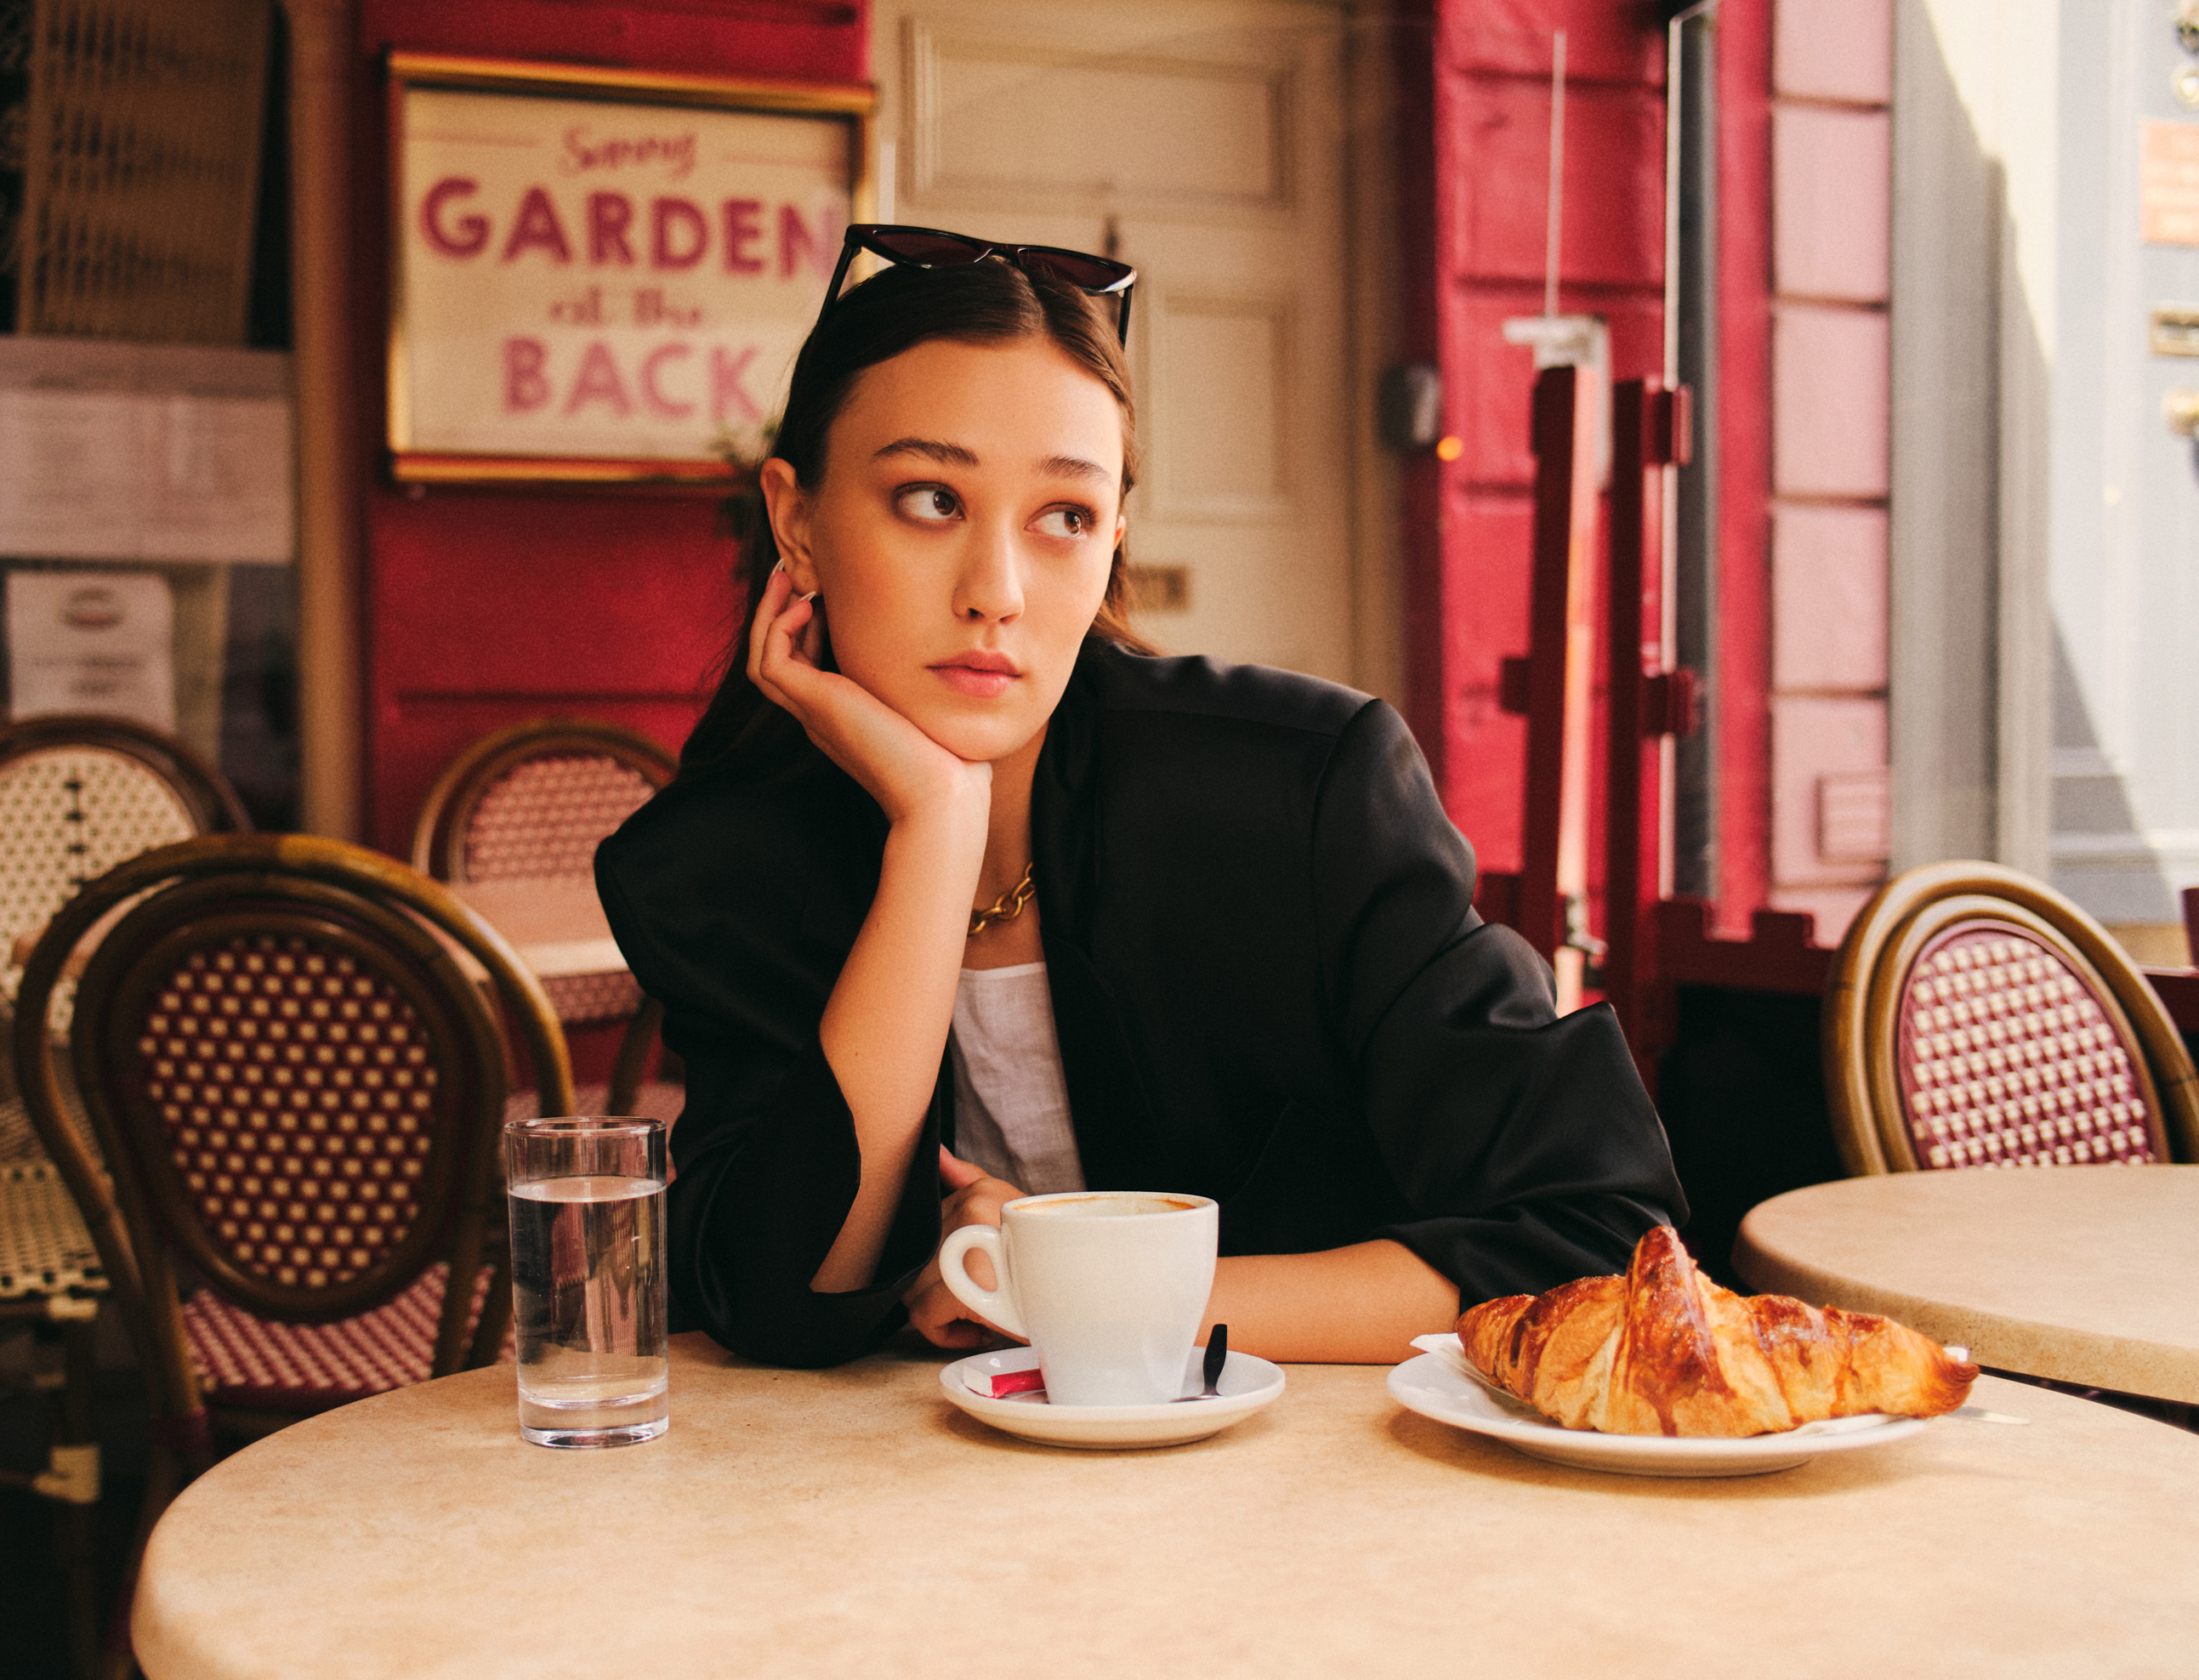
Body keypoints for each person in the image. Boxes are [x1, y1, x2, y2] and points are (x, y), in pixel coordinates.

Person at [595, 226, 1685, 1371]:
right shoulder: (720, 867)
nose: (998, 594)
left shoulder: (1297, 789)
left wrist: (1078, 1286)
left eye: (1062, 516)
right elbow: (779, 1291)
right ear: (796, 520)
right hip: (912, 1523)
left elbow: (1596, 1240)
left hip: (1323, 1500)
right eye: (928, 498)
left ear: (1112, 534)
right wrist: (936, 828)